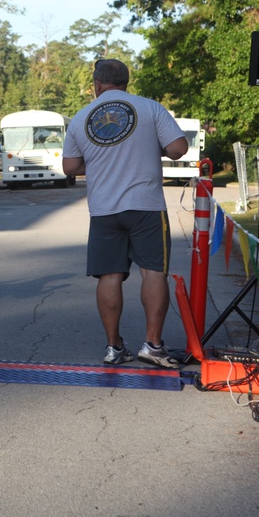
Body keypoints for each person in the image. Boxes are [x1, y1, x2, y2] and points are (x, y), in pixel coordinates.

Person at [62, 59, 188, 369]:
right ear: (126, 81)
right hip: (146, 206)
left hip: (104, 209)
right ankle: (153, 345)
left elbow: (69, 167)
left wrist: (96, 160)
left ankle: (114, 347)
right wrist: (151, 147)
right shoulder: (149, 108)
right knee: (153, 272)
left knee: (109, 276)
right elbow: (178, 148)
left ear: (97, 85)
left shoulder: (80, 118)